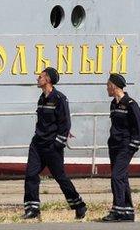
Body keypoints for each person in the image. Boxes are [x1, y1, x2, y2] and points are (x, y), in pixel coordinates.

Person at [22, 67, 86, 220]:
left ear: (48, 79)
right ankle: (32, 209)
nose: (37, 78)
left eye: (41, 76)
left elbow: (65, 123)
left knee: (60, 177)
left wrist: (57, 144)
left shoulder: (59, 99)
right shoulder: (41, 98)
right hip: (37, 144)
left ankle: (79, 205)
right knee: (30, 175)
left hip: (52, 146)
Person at [101, 73, 140, 222]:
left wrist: (134, 145)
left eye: (107, 85)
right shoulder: (114, 104)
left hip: (126, 145)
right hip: (114, 145)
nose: (106, 88)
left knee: (116, 177)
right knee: (122, 178)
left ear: (113, 86)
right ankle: (128, 212)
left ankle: (117, 210)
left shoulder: (131, 104)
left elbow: (138, 125)